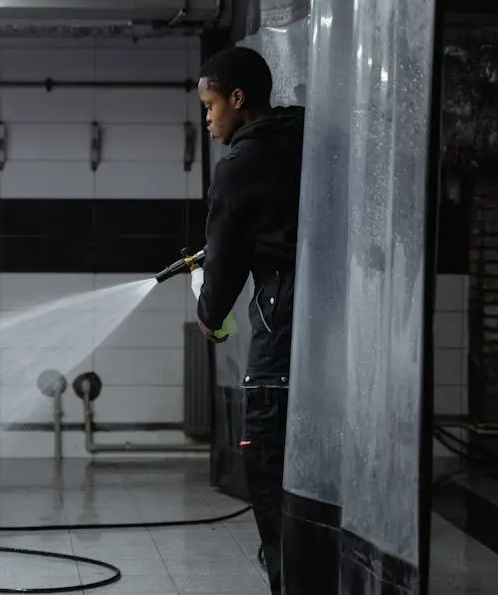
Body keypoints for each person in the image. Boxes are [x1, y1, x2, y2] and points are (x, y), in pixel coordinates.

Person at [194, 46, 304, 593]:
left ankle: (284, 572)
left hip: (282, 326)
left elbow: (225, 261)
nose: (207, 117)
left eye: (211, 104)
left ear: (238, 100)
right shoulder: (304, 138)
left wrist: (209, 314)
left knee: (263, 450)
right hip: (323, 325)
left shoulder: (238, 164)